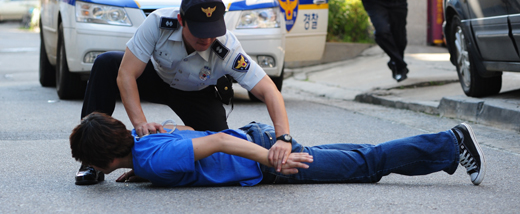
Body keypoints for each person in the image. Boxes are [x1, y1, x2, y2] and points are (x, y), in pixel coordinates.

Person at [76, 0, 292, 185]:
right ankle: (91, 161)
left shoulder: (227, 48)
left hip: (197, 94)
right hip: (157, 79)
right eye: (199, 31)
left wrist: (283, 138)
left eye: (212, 30)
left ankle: (157, 167)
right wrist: (140, 124)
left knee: (219, 149)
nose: (206, 38)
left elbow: (268, 90)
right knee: (106, 63)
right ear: (181, 20)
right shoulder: (158, 23)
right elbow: (126, 74)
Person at [70, 112, 486, 188]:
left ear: (103, 160)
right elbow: (191, 132)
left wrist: (272, 158)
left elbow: (215, 141)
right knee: (364, 155)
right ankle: (447, 150)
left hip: (267, 156)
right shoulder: (146, 144)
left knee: (366, 165)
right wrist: (140, 170)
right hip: (260, 141)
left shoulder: (154, 160)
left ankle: (452, 142)